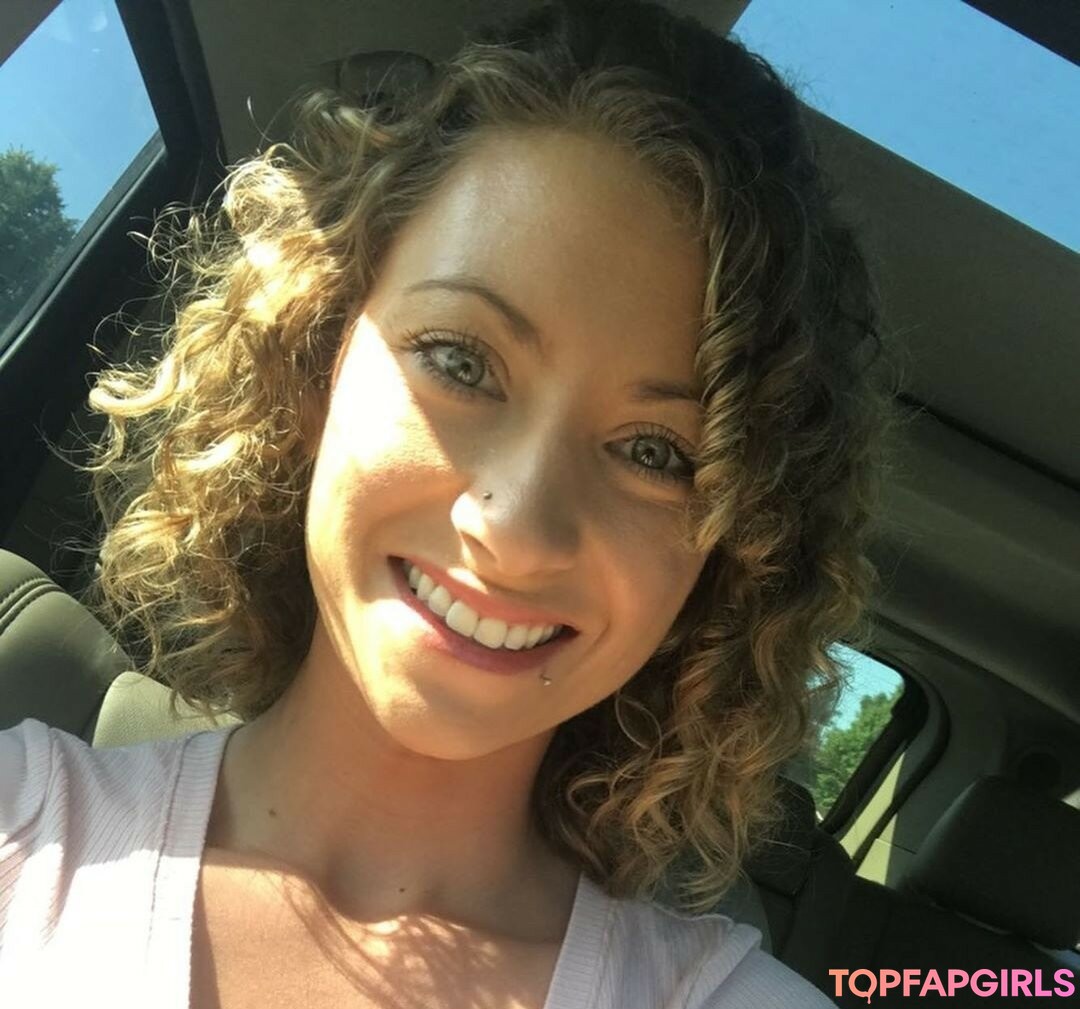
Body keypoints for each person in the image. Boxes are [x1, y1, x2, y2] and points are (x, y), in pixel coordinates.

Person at [0, 0, 901, 1005]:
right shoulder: (20, 831)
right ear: (317, 361)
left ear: (727, 555)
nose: (515, 527)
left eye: (655, 452)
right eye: (461, 361)